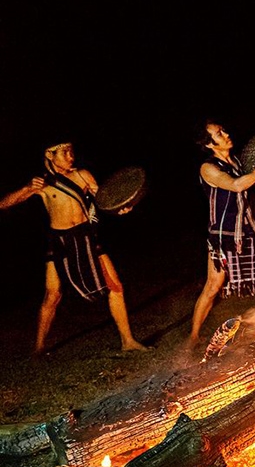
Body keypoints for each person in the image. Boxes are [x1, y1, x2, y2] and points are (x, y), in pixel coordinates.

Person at [0, 141, 147, 355]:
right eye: (64, 152)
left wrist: (121, 208)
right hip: (59, 241)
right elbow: (4, 204)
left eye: (71, 151)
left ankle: (128, 341)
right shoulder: (43, 183)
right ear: (50, 155)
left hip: (86, 237)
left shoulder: (82, 175)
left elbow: (105, 201)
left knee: (116, 287)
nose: (71, 156)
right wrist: (27, 188)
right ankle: (39, 348)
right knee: (53, 294)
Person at [188, 120, 255, 347]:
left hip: (249, 233)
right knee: (213, 287)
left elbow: (250, 182)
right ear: (209, 144)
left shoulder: (235, 161)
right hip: (225, 239)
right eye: (219, 133)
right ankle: (193, 338)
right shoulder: (207, 168)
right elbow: (236, 186)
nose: (226, 134)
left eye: (224, 129)